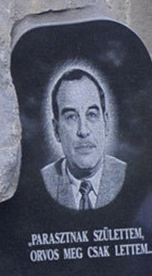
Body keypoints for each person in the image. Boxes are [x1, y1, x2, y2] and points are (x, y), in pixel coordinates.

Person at [42, 66, 126, 210]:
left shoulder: (128, 177)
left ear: (106, 123)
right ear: (56, 130)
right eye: (71, 117)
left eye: (91, 115)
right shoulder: (44, 182)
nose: (83, 131)